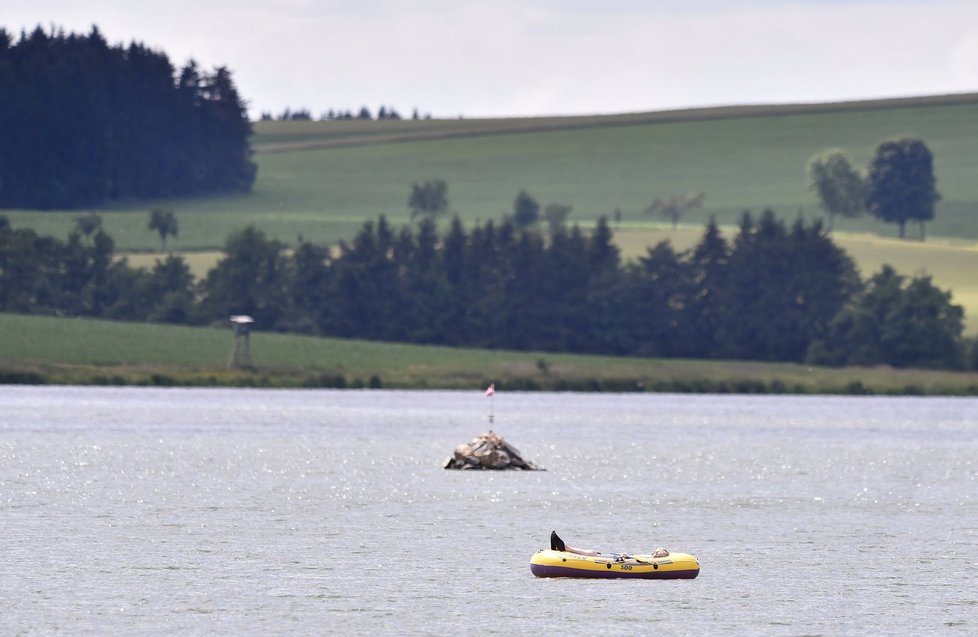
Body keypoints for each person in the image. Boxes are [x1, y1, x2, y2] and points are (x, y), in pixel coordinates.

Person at [550, 531, 669, 558]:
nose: (656, 552)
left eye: (659, 552)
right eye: (657, 551)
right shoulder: (648, 556)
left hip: (623, 559)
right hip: (622, 557)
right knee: (593, 553)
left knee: (591, 554)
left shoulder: (652, 559)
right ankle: (564, 547)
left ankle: (565, 547)